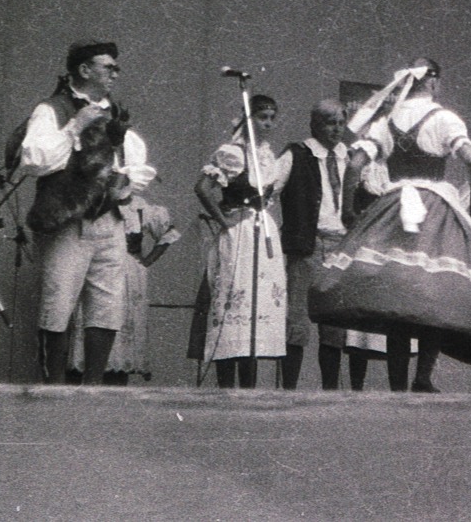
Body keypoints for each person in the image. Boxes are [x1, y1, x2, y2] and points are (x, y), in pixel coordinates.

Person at [312, 59, 471, 393]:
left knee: (397, 294)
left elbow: (354, 163)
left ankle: (398, 383)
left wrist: (350, 208)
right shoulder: (443, 118)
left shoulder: (387, 120)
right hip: (434, 209)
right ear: (434, 83)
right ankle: (422, 375)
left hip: (394, 207)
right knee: (431, 290)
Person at [18, 41, 155, 385]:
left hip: (109, 221)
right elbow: (34, 160)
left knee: (107, 308)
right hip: (68, 222)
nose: (114, 73)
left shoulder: (114, 114)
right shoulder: (54, 109)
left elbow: (136, 164)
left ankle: (94, 388)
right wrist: (75, 126)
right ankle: (54, 390)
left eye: (115, 67)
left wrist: (123, 183)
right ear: (84, 70)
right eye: (107, 66)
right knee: (58, 305)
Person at [191, 93, 291, 389]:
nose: (268, 124)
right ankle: (225, 385)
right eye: (262, 118)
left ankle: (249, 387)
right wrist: (225, 222)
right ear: (247, 120)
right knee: (233, 302)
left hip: (263, 233)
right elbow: (203, 188)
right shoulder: (233, 152)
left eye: (272, 118)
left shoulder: (266, 154)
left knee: (257, 306)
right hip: (240, 233)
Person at [279, 99, 361, 390]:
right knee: (296, 321)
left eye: (340, 122)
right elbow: (269, 185)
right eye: (329, 122)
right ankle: (288, 390)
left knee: (335, 325)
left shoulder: (350, 157)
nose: (336, 129)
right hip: (308, 244)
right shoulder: (297, 154)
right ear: (314, 124)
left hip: (340, 245)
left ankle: (330, 392)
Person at [72, 193, 179, 384]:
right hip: (95, 269)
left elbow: (167, 234)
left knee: (119, 323)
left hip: (127, 276)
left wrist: (144, 263)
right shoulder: (93, 203)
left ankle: (116, 374)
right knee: (94, 318)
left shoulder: (139, 208)